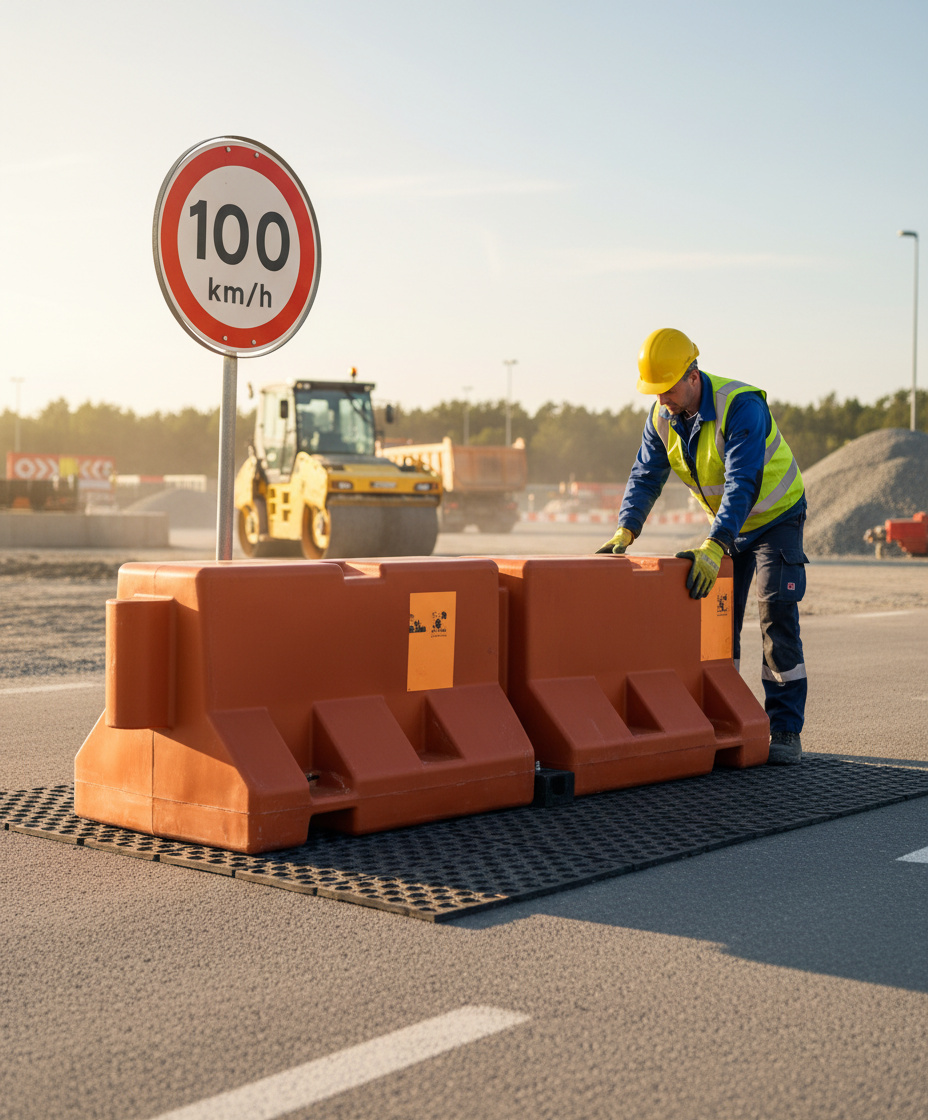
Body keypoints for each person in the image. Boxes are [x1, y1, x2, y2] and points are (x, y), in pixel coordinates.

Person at [596, 327, 808, 765]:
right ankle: (726, 719)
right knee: (716, 626)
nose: (661, 400)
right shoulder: (662, 418)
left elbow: (742, 481)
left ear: (693, 375)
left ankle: (785, 729)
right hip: (728, 528)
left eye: (667, 388)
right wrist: (626, 531)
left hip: (775, 519)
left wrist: (715, 544)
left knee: (776, 615)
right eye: (653, 392)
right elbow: (645, 476)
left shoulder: (742, 406)